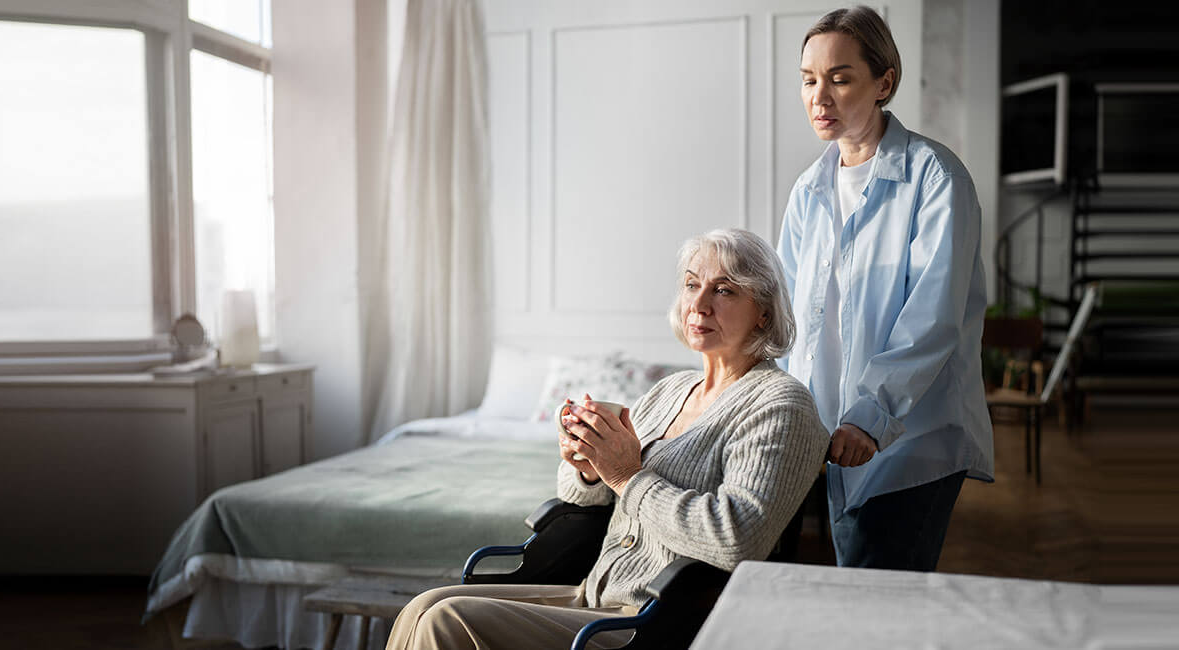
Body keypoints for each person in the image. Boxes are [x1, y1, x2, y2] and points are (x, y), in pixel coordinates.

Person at [386, 229, 828, 650]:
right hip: (594, 592)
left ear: (764, 311)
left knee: (448, 620)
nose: (699, 303)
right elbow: (583, 497)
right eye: (692, 284)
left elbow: (737, 539)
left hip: (655, 618)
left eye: (725, 290)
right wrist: (587, 468)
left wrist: (624, 475)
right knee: (424, 605)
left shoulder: (779, 404)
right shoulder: (672, 389)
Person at [776, 5, 994, 571]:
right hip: (828, 438)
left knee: (880, 597)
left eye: (840, 78)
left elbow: (933, 319)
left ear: (884, 83)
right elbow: (789, 320)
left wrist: (871, 416)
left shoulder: (936, 177)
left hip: (909, 440)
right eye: (808, 80)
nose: (819, 96)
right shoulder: (808, 191)